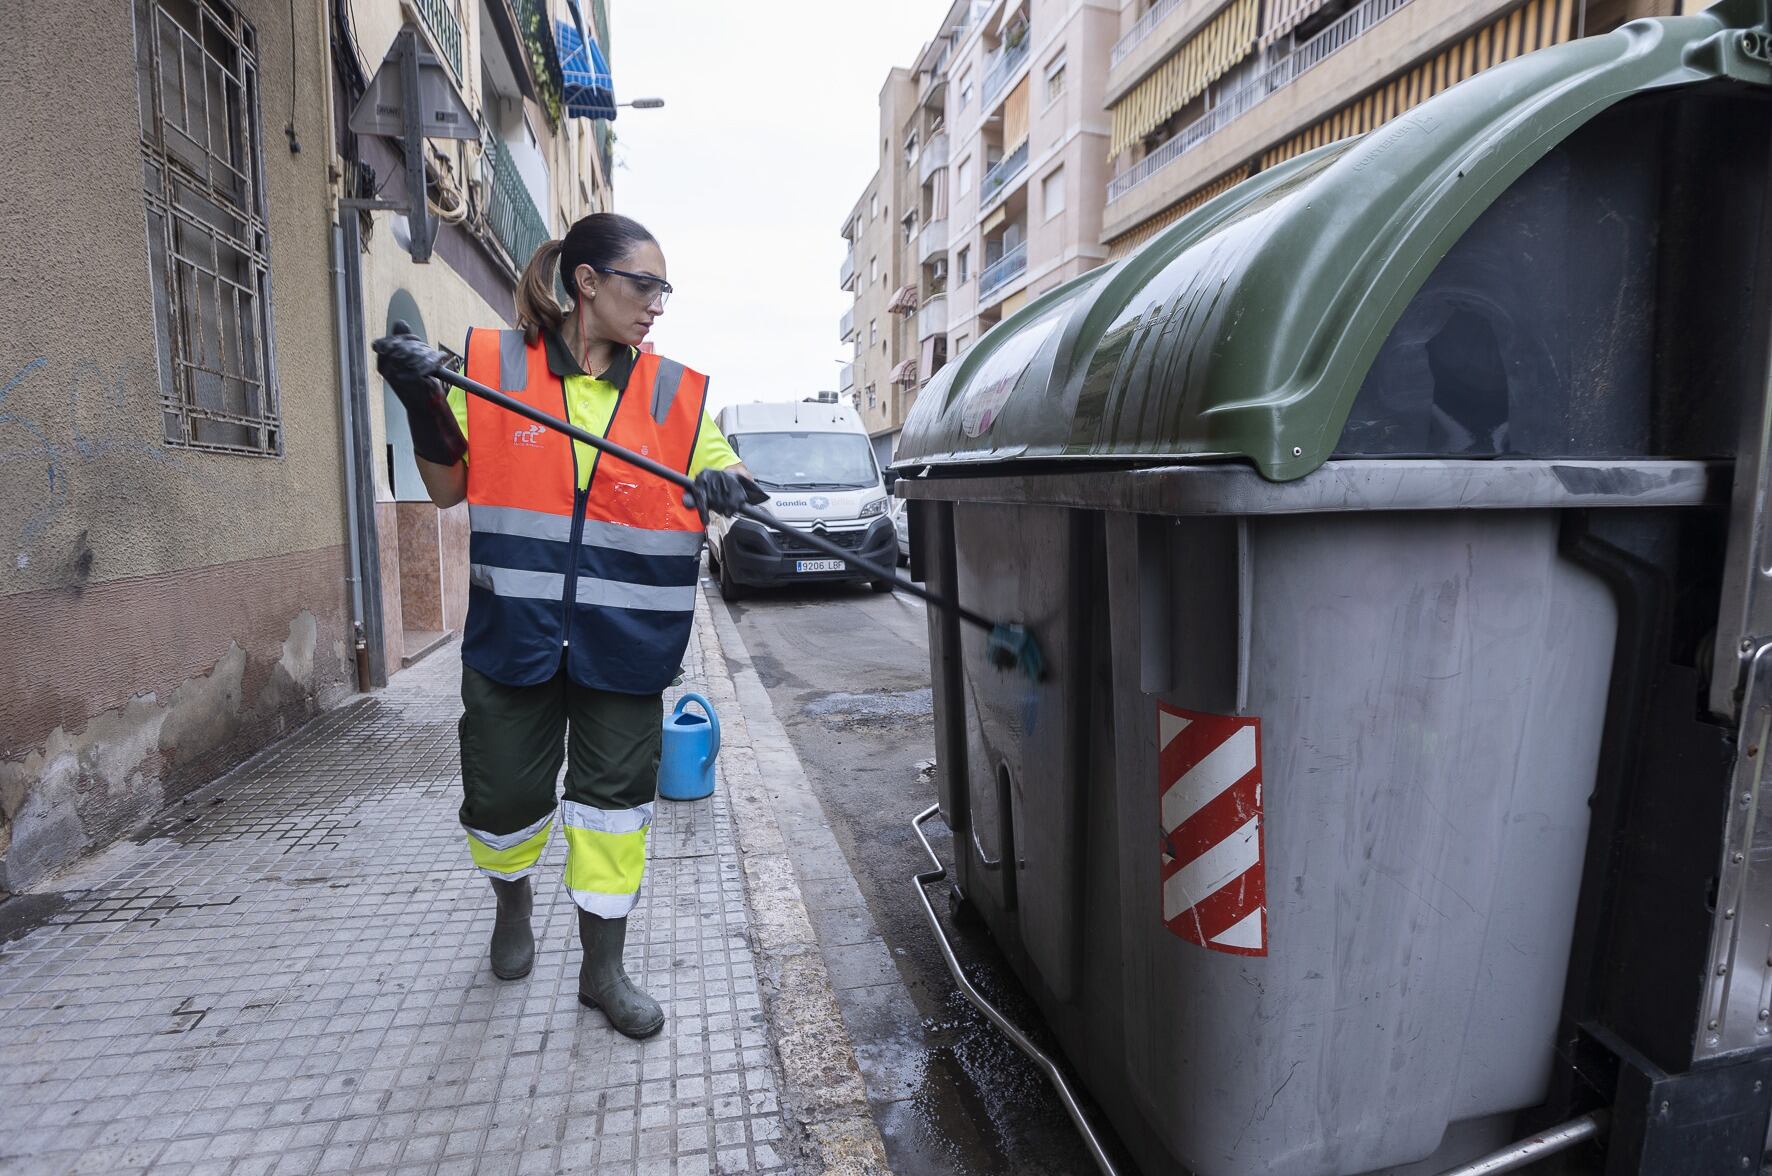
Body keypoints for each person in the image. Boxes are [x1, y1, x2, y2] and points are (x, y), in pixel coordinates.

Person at [372, 213, 764, 1038]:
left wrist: (729, 486)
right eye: (644, 284)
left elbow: (722, 462)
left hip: (627, 649)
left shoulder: (674, 392)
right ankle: (512, 909)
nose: (658, 303)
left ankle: (602, 969)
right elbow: (447, 489)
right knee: (502, 797)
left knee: (613, 812)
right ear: (587, 282)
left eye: (665, 288)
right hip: (513, 637)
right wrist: (419, 393)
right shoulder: (493, 367)